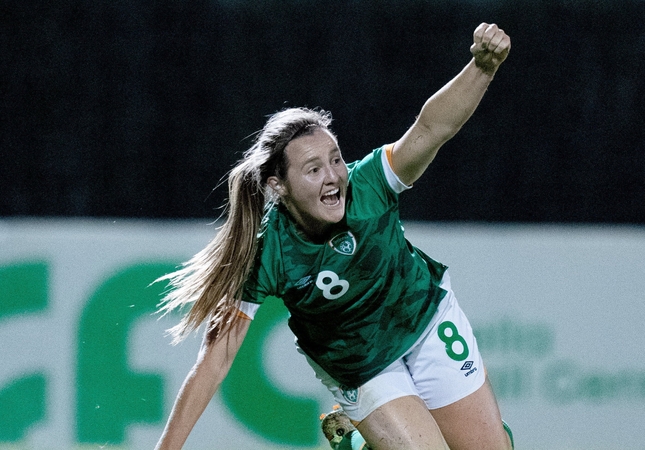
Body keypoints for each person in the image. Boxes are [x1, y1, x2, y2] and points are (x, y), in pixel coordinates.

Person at [155, 22, 512, 450]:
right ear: (277, 187)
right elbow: (214, 362)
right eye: (313, 169)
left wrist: (482, 68)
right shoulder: (265, 253)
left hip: (425, 320)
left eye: (336, 159)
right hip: (360, 367)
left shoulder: (370, 185)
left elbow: (430, 129)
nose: (333, 177)